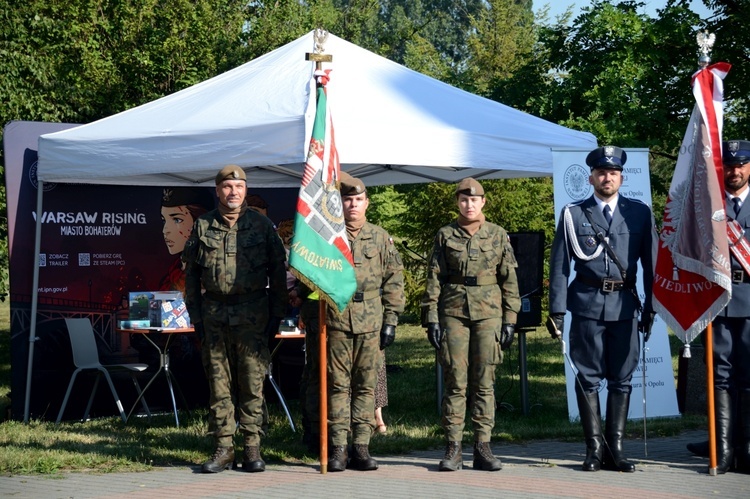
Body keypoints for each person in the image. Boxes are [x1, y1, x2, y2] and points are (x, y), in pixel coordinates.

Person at [547, 145, 657, 473]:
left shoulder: (639, 213)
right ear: (591, 177)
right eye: (601, 172)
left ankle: (617, 449)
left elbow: (651, 266)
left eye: (613, 172)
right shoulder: (574, 214)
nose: (606, 177)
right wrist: (557, 310)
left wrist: (651, 307)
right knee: (588, 378)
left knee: (622, 379)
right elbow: (559, 266)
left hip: (625, 307)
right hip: (586, 306)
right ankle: (594, 449)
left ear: (621, 177)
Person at [183, 165, 287, 474]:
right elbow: (190, 277)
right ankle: (224, 448)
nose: (233, 192)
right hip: (214, 315)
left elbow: (278, 274)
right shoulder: (202, 226)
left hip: (253, 315)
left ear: (245, 190)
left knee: (252, 382)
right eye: (227, 186)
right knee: (219, 384)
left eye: (239, 186)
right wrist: (196, 317)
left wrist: (277, 315)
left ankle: (252, 447)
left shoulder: (261, 226)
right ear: (217, 191)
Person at [421, 177, 520, 472]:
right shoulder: (445, 235)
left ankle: (483, 447)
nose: (469, 204)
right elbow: (434, 278)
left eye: (474, 200)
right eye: (464, 200)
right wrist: (431, 318)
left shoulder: (498, 235)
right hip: (453, 313)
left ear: (483, 202)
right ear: (457, 203)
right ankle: (453, 447)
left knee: (485, 382)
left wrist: (511, 319)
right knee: (455, 380)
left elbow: (510, 280)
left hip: (489, 314)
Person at [322, 172, 404, 472]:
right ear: (339, 202)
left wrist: (391, 320)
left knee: (366, 387)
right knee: (338, 386)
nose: (352, 205)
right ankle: (339, 448)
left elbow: (394, 279)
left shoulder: (380, 237)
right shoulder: (327, 236)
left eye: (358, 200)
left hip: (371, 320)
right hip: (336, 318)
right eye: (347, 199)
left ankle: (361, 446)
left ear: (367, 203)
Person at [687, 140, 750, 474]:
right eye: (728, 165)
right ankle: (723, 452)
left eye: (741, 165)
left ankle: (747, 449)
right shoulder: (707, 205)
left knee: (749, 376)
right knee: (720, 376)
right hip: (717, 303)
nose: (734, 171)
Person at [159, 187, 214, 293]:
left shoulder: (212, 266)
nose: (165, 230)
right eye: (164, 220)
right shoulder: (177, 268)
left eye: (177, 220)